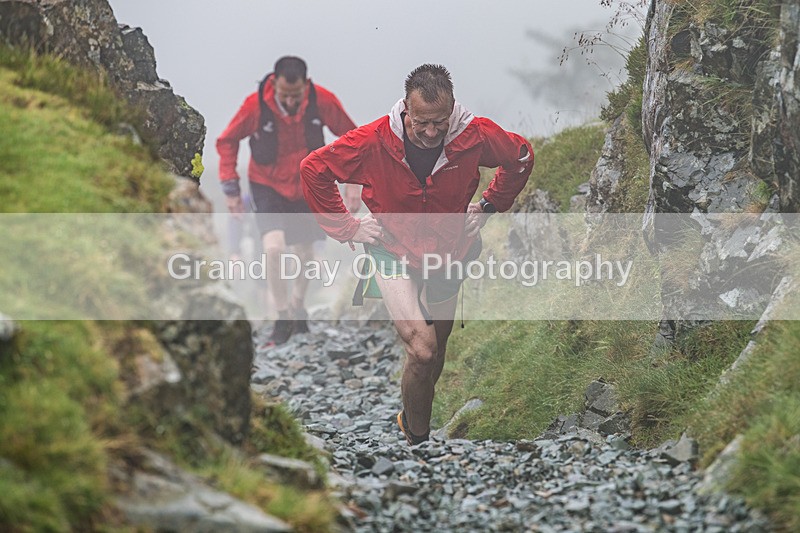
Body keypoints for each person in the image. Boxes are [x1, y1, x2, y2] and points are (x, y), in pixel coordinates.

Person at [300, 64, 534, 444]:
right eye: (421, 122)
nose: (429, 132)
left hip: (450, 251)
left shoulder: (476, 135)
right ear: (406, 110)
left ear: (452, 110)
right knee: (422, 350)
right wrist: (348, 227)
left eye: (439, 123)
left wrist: (491, 204)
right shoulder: (373, 140)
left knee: (436, 351)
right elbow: (314, 169)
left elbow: (521, 157)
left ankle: (411, 422)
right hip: (391, 249)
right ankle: (419, 441)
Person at [217, 56, 360, 345]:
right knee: (273, 249)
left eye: (296, 95)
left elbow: (353, 137)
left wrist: (354, 183)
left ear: (306, 85)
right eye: (284, 95)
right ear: (274, 83)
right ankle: (282, 317)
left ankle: (297, 305)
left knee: (306, 254)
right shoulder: (255, 105)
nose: (291, 101)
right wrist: (231, 189)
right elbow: (227, 141)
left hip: (308, 183)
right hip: (266, 184)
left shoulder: (323, 101)